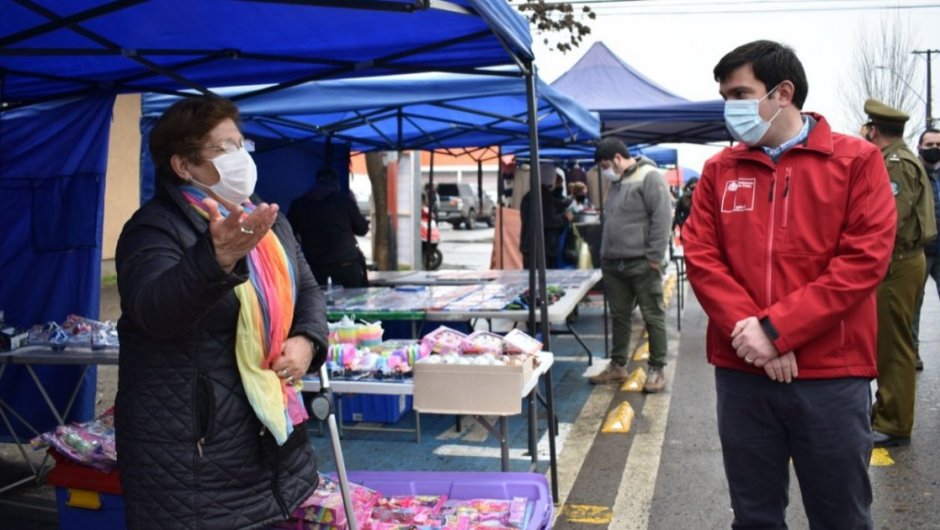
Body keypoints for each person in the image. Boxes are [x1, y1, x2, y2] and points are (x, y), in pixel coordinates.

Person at [683, 41, 896, 528]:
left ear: (783, 92)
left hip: (831, 375)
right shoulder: (720, 170)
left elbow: (863, 262)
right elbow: (702, 256)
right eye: (724, 95)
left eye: (740, 92)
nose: (729, 107)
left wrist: (778, 330)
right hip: (743, 373)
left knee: (839, 515)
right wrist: (755, 334)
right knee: (754, 515)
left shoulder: (857, 161)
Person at [115, 96, 329, 529]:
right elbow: (154, 313)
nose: (240, 158)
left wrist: (307, 340)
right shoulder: (152, 229)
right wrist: (215, 259)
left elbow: (306, 289)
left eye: (240, 144)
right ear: (183, 166)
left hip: (268, 446)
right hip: (192, 460)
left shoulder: (266, 219)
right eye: (222, 148)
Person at [862, 99, 937, 447]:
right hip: (901, 260)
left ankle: (893, 422)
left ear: (873, 129)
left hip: (898, 262)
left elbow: (887, 221)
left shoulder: (895, 164)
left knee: (895, 344)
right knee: (890, 340)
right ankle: (887, 412)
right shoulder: (897, 160)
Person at [587, 139, 672, 393]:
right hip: (614, 263)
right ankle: (618, 366)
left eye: (605, 165)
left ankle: (657, 368)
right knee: (619, 316)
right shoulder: (617, 182)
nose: (605, 171)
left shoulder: (650, 176)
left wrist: (654, 257)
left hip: (641, 263)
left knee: (652, 315)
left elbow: (662, 217)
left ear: (616, 158)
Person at [289, 167, 371, 288]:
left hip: (315, 265)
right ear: (336, 182)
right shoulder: (344, 200)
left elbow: (289, 234)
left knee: (318, 304)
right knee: (354, 302)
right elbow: (362, 229)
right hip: (346, 264)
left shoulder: (299, 204)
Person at [911, 128, 940, 371]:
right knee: (913, 306)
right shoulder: (912, 171)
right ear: (920, 146)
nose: (934, 149)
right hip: (920, 250)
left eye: (938, 144)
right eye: (929, 144)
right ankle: (912, 352)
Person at [519, 162, 573, 269]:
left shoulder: (529, 196)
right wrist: (565, 218)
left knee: (531, 281)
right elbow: (550, 220)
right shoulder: (543, 196)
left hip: (529, 246)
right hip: (543, 248)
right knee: (544, 282)